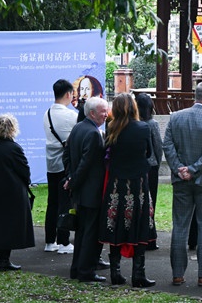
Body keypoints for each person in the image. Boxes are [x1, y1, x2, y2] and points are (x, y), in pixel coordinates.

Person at [163, 81, 202, 287]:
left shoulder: (176, 117)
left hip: (181, 179)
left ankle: (177, 274)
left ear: (194, 96)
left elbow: (167, 146)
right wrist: (194, 169)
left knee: (180, 226)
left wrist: (180, 168)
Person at [99, 94, 156, 287]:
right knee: (139, 224)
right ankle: (138, 274)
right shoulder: (143, 128)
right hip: (138, 183)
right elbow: (149, 153)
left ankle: (115, 273)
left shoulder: (111, 128)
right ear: (133, 107)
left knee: (115, 225)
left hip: (117, 184)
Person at [63, 96, 108, 282]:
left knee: (82, 233)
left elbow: (66, 156)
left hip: (80, 192)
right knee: (89, 234)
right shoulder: (92, 133)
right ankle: (86, 272)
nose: (106, 115)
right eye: (103, 112)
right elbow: (86, 164)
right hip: (91, 192)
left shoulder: (77, 128)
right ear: (92, 113)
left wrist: (70, 178)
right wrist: (73, 180)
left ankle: (77, 270)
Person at [0, 114, 35, 271]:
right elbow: (24, 170)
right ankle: (5, 260)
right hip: (12, 191)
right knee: (10, 225)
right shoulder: (14, 148)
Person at [43, 79, 77, 255]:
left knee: (52, 203)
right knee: (65, 203)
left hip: (51, 164)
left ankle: (50, 240)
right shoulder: (71, 116)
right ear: (68, 94)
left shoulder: (47, 113)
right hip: (65, 165)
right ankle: (64, 242)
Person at [135, 92, 163, 251]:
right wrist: (157, 163)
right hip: (151, 167)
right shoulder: (152, 124)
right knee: (151, 202)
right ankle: (150, 237)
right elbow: (158, 147)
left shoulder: (134, 123)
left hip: (138, 167)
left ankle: (139, 235)